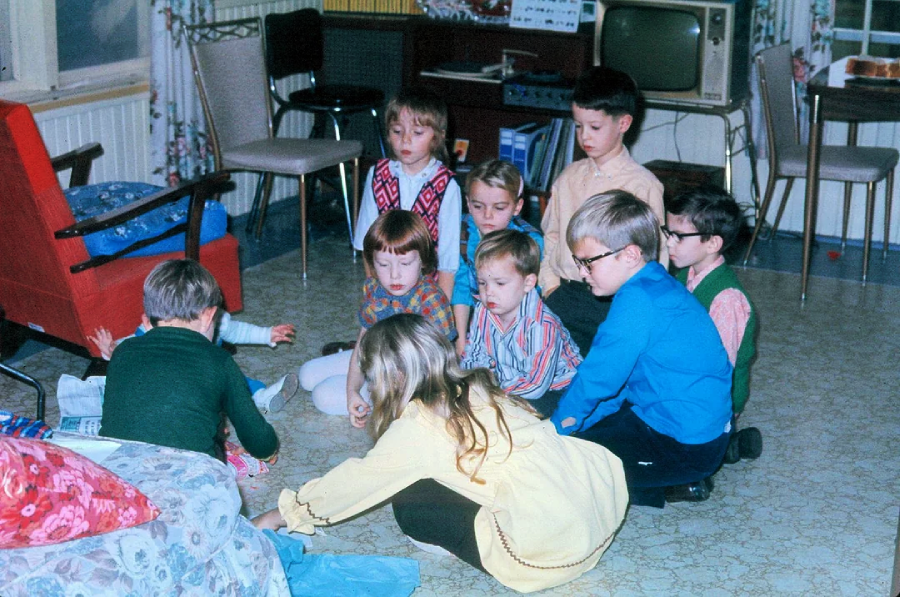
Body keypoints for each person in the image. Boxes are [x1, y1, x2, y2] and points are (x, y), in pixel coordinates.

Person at [254, 314, 627, 594]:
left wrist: (282, 514)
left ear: (392, 379)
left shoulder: (417, 427)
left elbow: (353, 482)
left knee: (409, 502)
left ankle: (462, 542)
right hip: (593, 516)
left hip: (543, 555)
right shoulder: (480, 386)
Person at [551, 191, 733, 507]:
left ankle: (674, 485)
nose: (581, 272)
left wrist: (556, 430)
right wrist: (576, 422)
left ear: (630, 255)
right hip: (685, 428)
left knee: (566, 468)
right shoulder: (654, 283)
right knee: (583, 430)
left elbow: (598, 379)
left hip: (683, 445)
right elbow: (619, 384)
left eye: (587, 262)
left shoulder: (636, 304)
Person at [99, 259, 279, 463]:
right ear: (209, 316)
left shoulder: (122, 352)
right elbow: (255, 433)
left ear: (147, 322)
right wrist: (267, 450)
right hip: (188, 478)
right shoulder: (219, 360)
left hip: (120, 474)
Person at [540, 66, 665, 356]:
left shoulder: (642, 186)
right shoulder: (568, 177)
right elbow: (552, 235)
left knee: (611, 383)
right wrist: (550, 287)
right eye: (578, 125)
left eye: (595, 127)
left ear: (623, 123)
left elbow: (656, 260)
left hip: (617, 304)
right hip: (565, 296)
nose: (585, 136)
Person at [300, 210, 456, 426]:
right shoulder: (374, 289)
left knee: (322, 397)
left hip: (406, 384)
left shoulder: (431, 301)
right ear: (372, 263)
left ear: (423, 261)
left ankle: (375, 399)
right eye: (383, 264)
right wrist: (351, 390)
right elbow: (362, 345)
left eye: (405, 263)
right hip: (375, 362)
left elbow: (441, 370)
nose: (394, 275)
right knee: (306, 374)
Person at [665, 185, 762, 464]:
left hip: (713, 392)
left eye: (679, 237)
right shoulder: (685, 272)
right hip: (686, 377)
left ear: (712, 243)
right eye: (668, 233)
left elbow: (719, 369)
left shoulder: (726, 299)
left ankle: (730, 442)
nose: (669, 243)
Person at [352, 87, 462, 299]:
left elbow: (448, 260)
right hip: (385, 282)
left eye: (417, 132)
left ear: (438, 137)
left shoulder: (446, 185)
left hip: (427, 290)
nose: (405, 140)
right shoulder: (378, 174)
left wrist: (441, 309)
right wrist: (376, 294)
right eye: (397, 131)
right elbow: (365, 242)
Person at [460, 230, 580, 417]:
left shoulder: (541, 326)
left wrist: (495, 392)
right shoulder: (483, 311)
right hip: (508, 383)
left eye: (500, 283)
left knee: (517, 415)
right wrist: (473, 382)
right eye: (482, 283)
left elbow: (537, 386)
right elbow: (473, 353)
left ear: (528, 283)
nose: (488, 292)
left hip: (556, 389)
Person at [89, 315, 298, 414]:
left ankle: (263, 397)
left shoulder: (215, 319)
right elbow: (132, 347)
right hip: (173, 386)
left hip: (208, 373)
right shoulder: (152, 327)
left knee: (234, 377)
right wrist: (112, 349)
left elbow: (236, 331)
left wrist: (266, 334)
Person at [451, 159, 543, 355]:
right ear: (468, 202)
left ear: (517, 207)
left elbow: (530, 300)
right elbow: (460, 289)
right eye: (477, 206)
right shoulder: (461, 233)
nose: (487, 215)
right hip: (476, 312)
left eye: (499, 208)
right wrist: (460, 341)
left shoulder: (530, 241)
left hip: (516, 318)